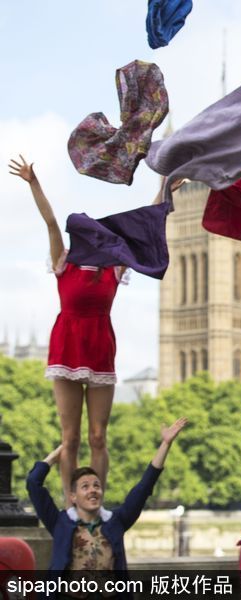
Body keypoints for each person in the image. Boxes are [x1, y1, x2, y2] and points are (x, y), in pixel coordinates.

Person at [8, 155, 177, 493]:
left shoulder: (114, 267)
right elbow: (51, 223)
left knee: (98, 436)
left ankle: (96, 498)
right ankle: (71, 502)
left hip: (100, 344)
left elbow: (144, 225)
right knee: (69, 437)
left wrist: (164, 187)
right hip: (67, 345)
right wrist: (33, 182)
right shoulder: (64, 261)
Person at [25, 417, 188, 597]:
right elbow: (33, 483)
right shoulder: (60, 522)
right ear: (73, 496)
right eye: (85, 487)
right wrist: (55, 456)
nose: (92, 490)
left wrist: (165, 444)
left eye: (96, 485)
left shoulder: (116, 521)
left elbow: (144, 487)